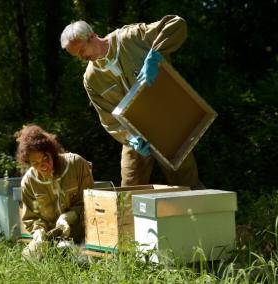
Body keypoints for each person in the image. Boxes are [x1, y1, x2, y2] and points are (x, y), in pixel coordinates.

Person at [60, 15, 203, 189]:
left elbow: (177, 24)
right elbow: (108, 117)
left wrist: (155, 55)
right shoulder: (91, 79)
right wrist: (130, 138)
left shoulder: (130, 37)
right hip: (135, 135)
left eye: (82, 51)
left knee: (187, 183)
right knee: (129, 190)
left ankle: (205, 215)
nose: (81, 57)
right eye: (76, 55)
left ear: (91, 36)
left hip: (167, 122)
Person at [15, 124, 95, 260]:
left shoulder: (76, 164)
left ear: (52, 152)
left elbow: (91, 203)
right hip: (51, 238)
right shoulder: (28, 182)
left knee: (85, 259)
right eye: (35, 163)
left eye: (45, 158)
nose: (43, 166)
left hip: (83, 233)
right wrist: (38, 232)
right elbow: (31, 218)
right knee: (27, 258)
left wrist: (70, 216)